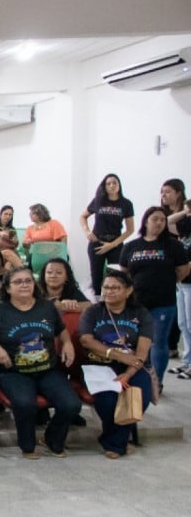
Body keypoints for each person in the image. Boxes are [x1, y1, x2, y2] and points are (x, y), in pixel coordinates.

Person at [0, 266, 81, 459]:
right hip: (13, 372)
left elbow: (61, 329)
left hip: (48, 369)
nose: (24, 284)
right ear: (7, 288)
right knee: (25, 404)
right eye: (18, 282)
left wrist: (67, 343)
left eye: (28, 280)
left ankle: (53, 440)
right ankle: (28, 446)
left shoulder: (47, 307)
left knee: (71, 404)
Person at [77, 269, 153, 458]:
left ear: (128, 291)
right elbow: (86, 340)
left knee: (139, 398)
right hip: (100, 366)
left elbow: (142, 351)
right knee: (108, 401)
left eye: (115, 288)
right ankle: (117, 444)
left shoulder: (141, 313)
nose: (109, 291)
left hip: (133, 367)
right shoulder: (93, 311)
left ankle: (112, 441)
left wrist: (127, 374)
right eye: (106, 287)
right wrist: (117, 355)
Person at [120, 206, 191, 388]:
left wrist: (165, 281)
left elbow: (183, 270)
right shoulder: (131, 246)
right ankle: (134, 376)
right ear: (146, 221)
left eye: (162, 220)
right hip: (136, 302)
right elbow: (124, 272)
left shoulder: (173, 246)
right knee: (133, 342)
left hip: (163, 302)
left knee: (158, 342)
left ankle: (155, 382)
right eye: (155, 219)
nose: (159, 223)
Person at [80, 173, 135, 296]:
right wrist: (87, 231)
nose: (112, 185)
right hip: (97, 242)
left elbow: (130, 229)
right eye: (108, 183)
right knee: (96, 275)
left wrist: (112, 245)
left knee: (117, 275)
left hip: (115, 243)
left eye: (115, 182)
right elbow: (83, 216)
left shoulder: (126, 204)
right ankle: (98, 301)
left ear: (119, 185)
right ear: (104, 187)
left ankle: (116, 299)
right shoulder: (98, 201)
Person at [162, 179, 191, 378]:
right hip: (182, 281)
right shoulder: (186, 223)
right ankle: (187, 361)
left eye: (168, 192)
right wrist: (187, 211)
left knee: (190, 323)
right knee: (183, 324)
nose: (163, 195)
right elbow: (169, 221)